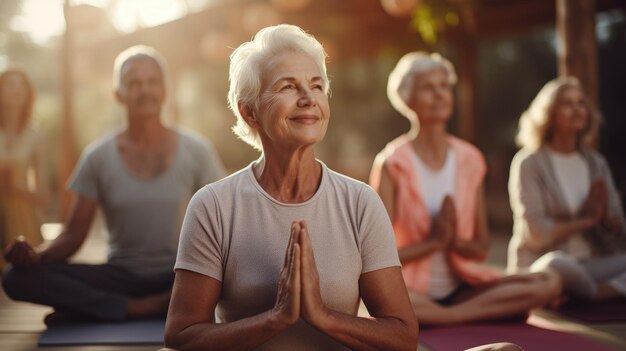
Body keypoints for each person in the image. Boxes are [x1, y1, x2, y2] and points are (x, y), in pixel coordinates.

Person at [164, 24, 417, 351]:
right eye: (288, 86)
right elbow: (181, 336)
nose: (308, 98)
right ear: (249, 112)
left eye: (316, 85)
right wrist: (276, 318)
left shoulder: (360, 202)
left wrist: (323, 316)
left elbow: (403, 336)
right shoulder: (214, 205)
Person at [2, 45, 225, 324]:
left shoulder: (197, 150)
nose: (145, 90)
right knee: (15, 279)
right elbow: (72, 236)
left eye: (152, 82)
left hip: (182, 275)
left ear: (164, 90)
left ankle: (101, 309)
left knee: (231, 269)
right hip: (120, 277)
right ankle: (142, 307)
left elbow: (222, 225)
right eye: (134, 83)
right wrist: (35, 256)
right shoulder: (98, 156)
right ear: (118, 93)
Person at [369, 51, 561, 326]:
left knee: (549, 281)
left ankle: (448, 317)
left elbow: (481, 249)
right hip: (411, 292)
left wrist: (454, 243)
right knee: (381, 301)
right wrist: (433, 243)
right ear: (408, 99)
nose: (439, 94)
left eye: (444, 86)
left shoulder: (470, 159)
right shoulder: (391, 163)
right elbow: (378, 255)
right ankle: (472, 314)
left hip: (463, 289)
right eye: (428, 87)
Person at [508, 77, 626, 301]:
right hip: (545, 265)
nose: (577, 109)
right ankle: (594, 293)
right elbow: (535, 233)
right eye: (567, 103)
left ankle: (594, 292)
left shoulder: (596, 163)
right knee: (558, 262)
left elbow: (619, 226)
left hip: (591, 263)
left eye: (580, 103)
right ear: (549, 113)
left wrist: (606, 219)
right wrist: (587, 220)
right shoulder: (529, 163)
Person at [0, 69, 49, 269]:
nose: (16, 90)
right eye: (10, 84)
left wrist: (16, 188)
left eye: (22, 85)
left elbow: (44, 196)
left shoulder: (35, 136)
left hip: (24, 226)